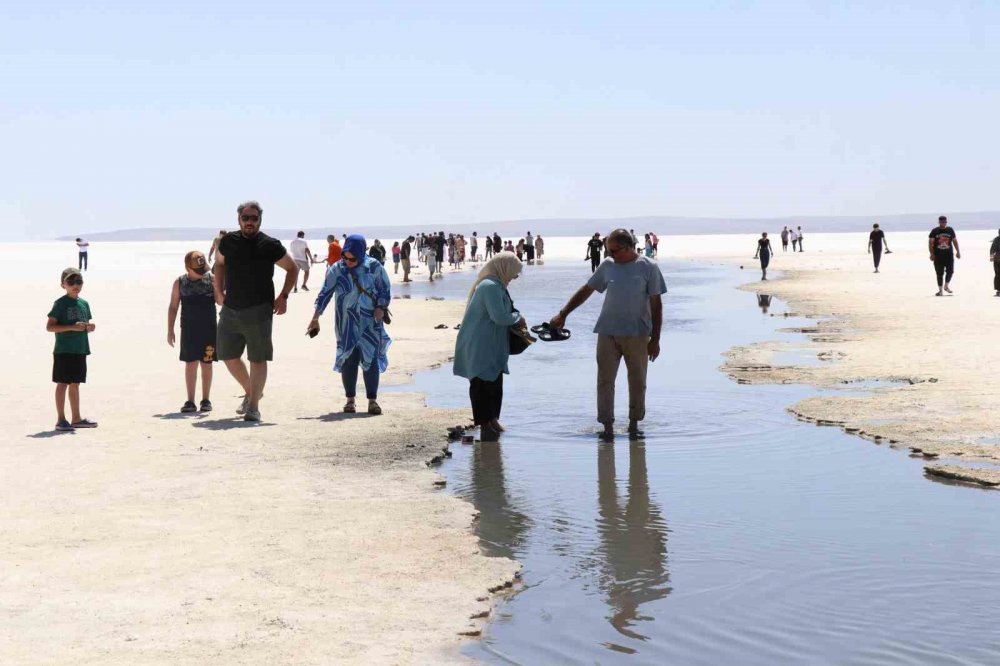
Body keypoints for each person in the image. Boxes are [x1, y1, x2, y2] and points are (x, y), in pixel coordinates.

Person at [550, 229, 666, 440]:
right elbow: (587, 290)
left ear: (629, 247)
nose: (610, 255)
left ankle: (634, 424)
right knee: (604, 381)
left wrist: (655, 339)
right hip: (607, 332)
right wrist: (563, 314)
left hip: (637, 334)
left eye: (614, 250)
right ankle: (607, 427)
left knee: (638, 381)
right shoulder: (608, 265)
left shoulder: (649, 267)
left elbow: (657, 306)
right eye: (608, 250)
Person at [213, 200, 298, 422]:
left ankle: (254, 407)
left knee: (257, 358)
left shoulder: (269, 245)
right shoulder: (228, 242)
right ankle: (252, 391)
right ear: (238, 219)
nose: (250, 222)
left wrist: (283, 296)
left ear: (260, 220)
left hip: (259, 309)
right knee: (227, 355)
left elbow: (292, 268)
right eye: (246, 218)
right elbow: (219, 264)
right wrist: (218, 291)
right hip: (231, 308)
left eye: (254, 218)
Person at [308, 234, 391, 415]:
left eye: (352, 258)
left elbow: (385, 289)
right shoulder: (338, 269)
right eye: (344, 257)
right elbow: (324, 294)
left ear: (361, 254)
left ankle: (372, 401)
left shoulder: (374, 267)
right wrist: (315, 317)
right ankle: (350, 400)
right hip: (346, 324)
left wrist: (381, 307)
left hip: (370, 322)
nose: (347, 261)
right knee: (348, 359)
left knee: (370, 360)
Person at [453, 253, 525, 442]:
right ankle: (484, 426)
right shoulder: (490, 287)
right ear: (504, 268)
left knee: (494, 383)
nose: (513, 278)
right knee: (481, 385)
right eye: (513, 274)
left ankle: (492, 420)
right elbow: (499, 317)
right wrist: (519, 319)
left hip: (491, 344)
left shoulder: (497, 286)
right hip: (479, 345)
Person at [47, 267, 98, 432]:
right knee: (63, 383)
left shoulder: (84, 303)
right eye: (71, 282)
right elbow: (50, 327)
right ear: (63, 285)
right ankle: (61, 419)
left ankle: (76, 418)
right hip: (64, 350)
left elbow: (83, 324)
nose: (75, 285)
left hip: (80, 349)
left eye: (79, 282)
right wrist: (71, 327)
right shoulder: (60, 303)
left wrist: (89, 327)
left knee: (75, 383)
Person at [167, 251, 217, 413]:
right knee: (191, 364)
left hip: (209, 330)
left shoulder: (212, 279)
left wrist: (220, 288)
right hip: (188, 330)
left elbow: (221, 301)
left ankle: (206, 399)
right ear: (188, 268)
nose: (203, 274)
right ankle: (190, 400)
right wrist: (170, 330)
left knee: (207, 364)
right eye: (198, 270)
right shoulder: (180, 283)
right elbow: (173, 307)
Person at [929, 215, 961, 296]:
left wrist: (958, 251)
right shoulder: (934, 231)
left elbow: (954, 241)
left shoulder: (950, 230)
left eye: (944, 222)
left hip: (949, 255)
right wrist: (931, 254)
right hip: (938, 256)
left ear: (946, 222)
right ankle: (940, 291)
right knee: (939, 273)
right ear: (939, 222)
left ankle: (946, 286)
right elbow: (930, 243)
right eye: (941, 222)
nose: (943, 223)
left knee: (950, 271)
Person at [989, 229, 1000, 297]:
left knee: (998, 275)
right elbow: (992, 249)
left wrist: (991, 257)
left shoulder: (996, 239)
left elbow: (992, 249)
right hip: (997, 260)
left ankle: (998, 290)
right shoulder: (996, 240)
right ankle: (998, 290)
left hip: (997, 260)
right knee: (998, 275)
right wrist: (992, 257)